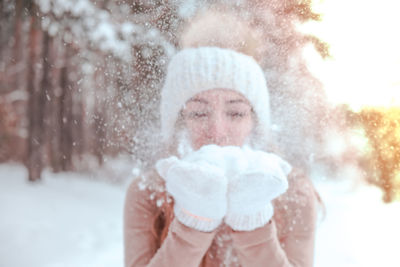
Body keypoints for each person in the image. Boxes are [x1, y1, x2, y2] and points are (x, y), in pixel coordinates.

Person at [123, 46, 320, 267]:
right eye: (199, 113)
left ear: (254, 122)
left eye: (236, 113)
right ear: (180, 122)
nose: (217, 132)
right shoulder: (148, 192)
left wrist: (253, 222)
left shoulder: (291, 190)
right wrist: (193, 223)